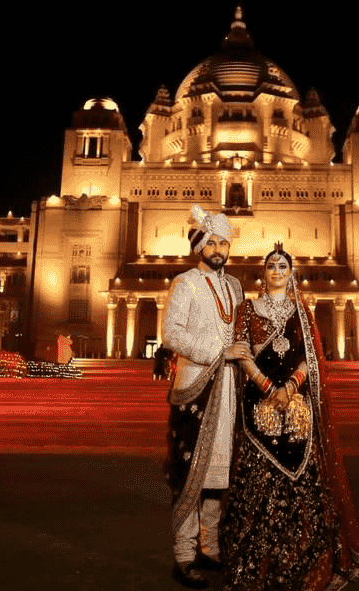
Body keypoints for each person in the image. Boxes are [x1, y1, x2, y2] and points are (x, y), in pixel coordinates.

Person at [221, 244, 359, 590]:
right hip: (258, 406)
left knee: (302, 483)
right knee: (257, 484)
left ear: (291, 272)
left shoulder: (301, 311)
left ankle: (301, 561)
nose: (277, 270)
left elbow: (310, 357)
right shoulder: (246, 309)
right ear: (263, 273)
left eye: (283, 265)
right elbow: (242, 351)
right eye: (271, 265)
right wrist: (265, 386)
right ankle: (257, 562)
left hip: (296, 406)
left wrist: (289, 389)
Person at [164, 205, 250, 589]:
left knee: (218, 475)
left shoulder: (235, 287)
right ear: (199, 246)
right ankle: (183, 555)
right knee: (190, 474)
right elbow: (172, 335)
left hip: (231, 389)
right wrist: (219, 349)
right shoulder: (184, 283)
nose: (217, 248)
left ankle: (209, 548)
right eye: (210, 242)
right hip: (197, 387)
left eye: (223, 242)